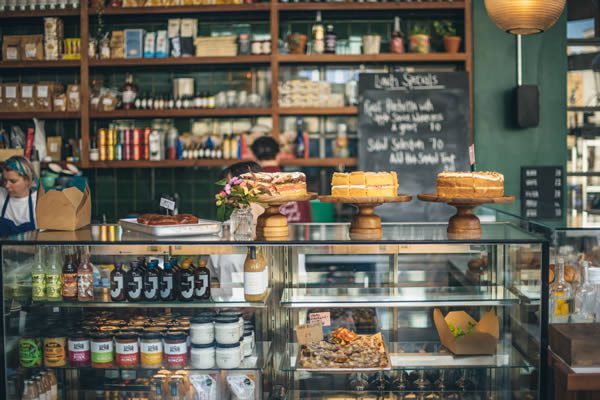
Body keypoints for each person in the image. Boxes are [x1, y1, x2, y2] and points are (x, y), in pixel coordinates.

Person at [250, 136, 311, 223]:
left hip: (266, 234)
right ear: (278, 155)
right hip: (296, 235)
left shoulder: (251, 186)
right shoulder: (296, 183)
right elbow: (307, 221)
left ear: (254, 158)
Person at [0, 156, 38, 236]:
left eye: (13, 181)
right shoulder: (1, 195)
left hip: (30, 248)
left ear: (28, 180)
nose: (7, 185)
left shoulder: (39, 202)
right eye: (5, 180)